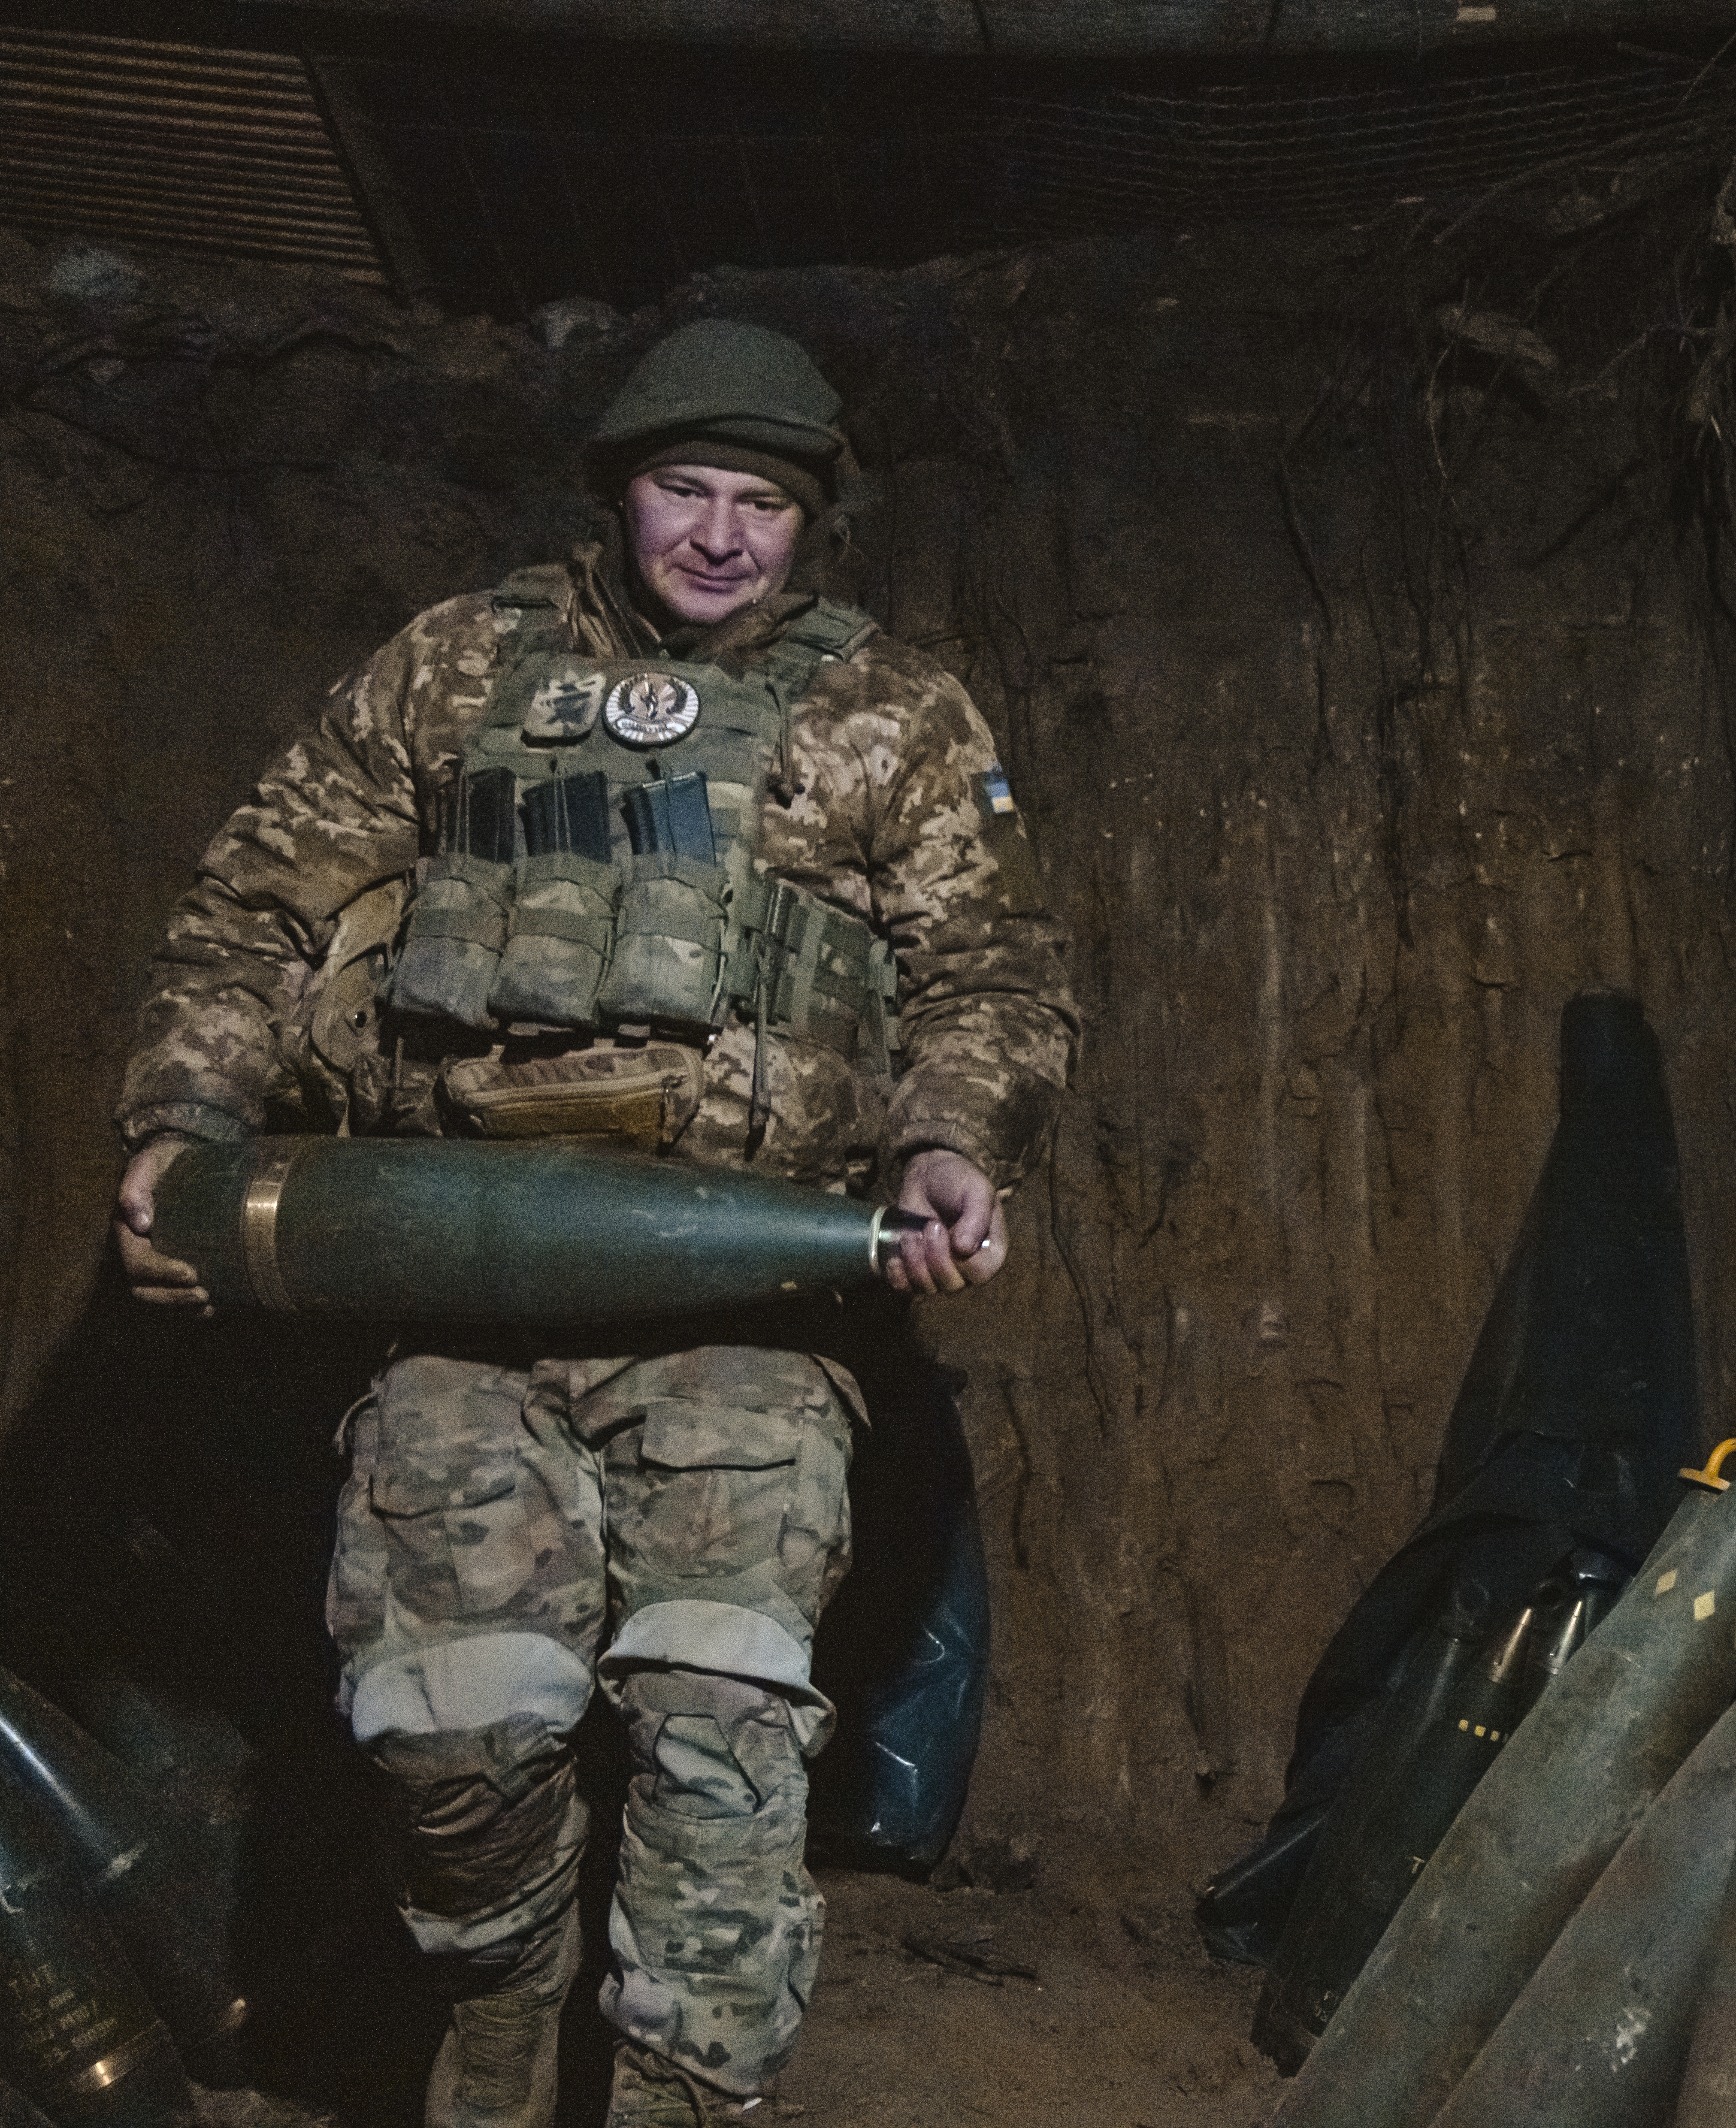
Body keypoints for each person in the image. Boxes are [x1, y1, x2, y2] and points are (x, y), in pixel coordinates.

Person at [108, 319, 1077, 2126]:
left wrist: (953, 1141)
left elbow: (993, 973)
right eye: (683, 488)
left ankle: (678, 2095)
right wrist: (186, 1119)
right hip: (458, 1282)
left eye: (762, 503)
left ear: (811, 523)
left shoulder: (891, 711)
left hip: (751, 1314)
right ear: (618, 490)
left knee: (720, 1740)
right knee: (449, 1728)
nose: (719, 534)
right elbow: (249, 903)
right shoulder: (457, 668)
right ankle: (504, 1989)